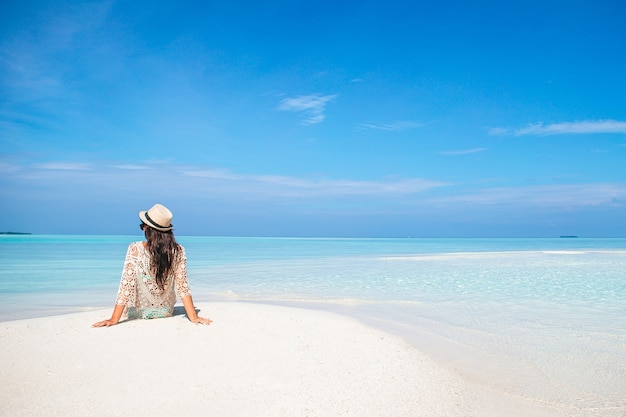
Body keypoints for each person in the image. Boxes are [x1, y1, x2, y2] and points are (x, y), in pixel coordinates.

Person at [93, 204, 212, 327]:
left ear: (147, 229)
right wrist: (193, 316)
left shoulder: (135, 248)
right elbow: (183, 286)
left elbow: (126, 286)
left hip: (139, 312)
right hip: (166, 311)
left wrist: (114, 319)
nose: (142, 228)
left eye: (142, 226)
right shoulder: (179, 250)